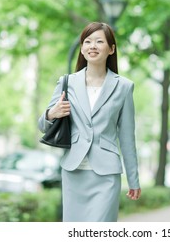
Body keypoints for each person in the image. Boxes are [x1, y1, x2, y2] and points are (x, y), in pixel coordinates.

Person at [38, 22, 141, 222]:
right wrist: (51, 113)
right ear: (82, 49)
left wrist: (133, 180)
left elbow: (127, 137)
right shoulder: (67, 82)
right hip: (74, 171)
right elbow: (42, 126)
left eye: (99, 41)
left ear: (111, 49)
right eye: (87, 41)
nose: (92, 46)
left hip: (106, 175)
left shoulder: (124, 87)